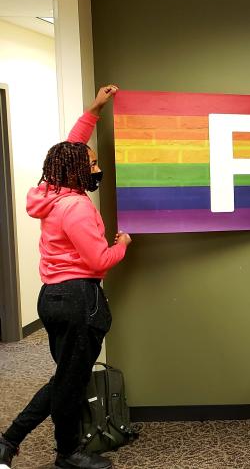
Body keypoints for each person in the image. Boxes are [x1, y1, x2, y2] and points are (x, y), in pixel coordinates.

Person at [0, 86, 131, 469]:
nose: (95, 167)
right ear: (76, 170)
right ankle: (35, 446)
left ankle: (42, 447)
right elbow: (99, 262)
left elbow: (70, 148)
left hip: (52, 298)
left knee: (67, 377)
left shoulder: (49, 193)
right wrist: (123, 243)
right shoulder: (76, 207)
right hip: (79, 300)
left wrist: (93, 111)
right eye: (91, 163)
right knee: (69, 383)